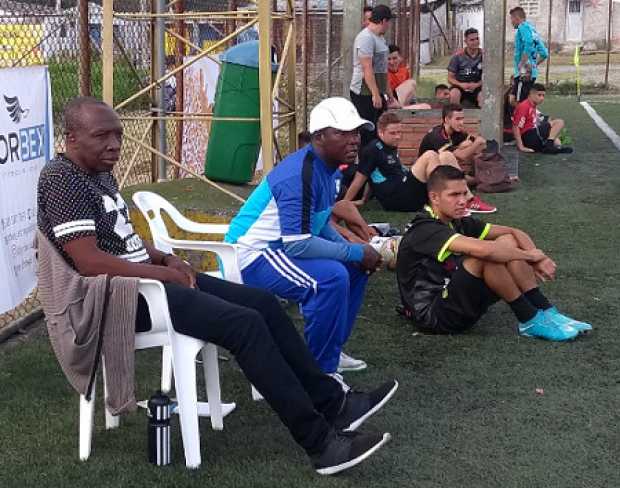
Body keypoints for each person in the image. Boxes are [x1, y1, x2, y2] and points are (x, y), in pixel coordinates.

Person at [38, 96, 398, 475]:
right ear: (72, 138)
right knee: (245, 326)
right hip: (118, 298)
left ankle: (332, 403)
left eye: (118, 135)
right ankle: (322, 444)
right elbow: (88, 261)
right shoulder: (62, 179)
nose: (114, 145)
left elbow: (121, 236)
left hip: (145, 280)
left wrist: (163, 257)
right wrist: (163, 274)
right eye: (102, 136)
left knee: (263, 305)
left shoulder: (99, 172)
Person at [225, 97, 385, 377]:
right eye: (342, 133)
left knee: (355, 270)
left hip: (280, 249)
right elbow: (298, 244)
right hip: (251, 255)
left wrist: (354, 251)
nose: (354, 140)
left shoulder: (328, 168)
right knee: (331, 278)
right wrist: (356, 251)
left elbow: (320, 223)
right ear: (319, 137)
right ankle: (319, 373)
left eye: (356, 132)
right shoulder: (300, 174)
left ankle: (330, 351)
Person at [396, 165, 591, 340]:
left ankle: (546, 311)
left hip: (455, 299)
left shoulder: (457, 221)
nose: (463, 201)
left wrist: (539, 258)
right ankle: (529, 319)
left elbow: (514, 232)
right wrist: (530, 257)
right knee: (486, 256)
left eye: (464, 193)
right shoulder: (424, 228)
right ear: (434, 197)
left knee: (507, 241)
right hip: (434, 316)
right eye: (454, 195)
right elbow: (486, 251)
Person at [342, 112, 462, 212]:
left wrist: (364, 199)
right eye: (393, 133)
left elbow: (372, 175)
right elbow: (360, 178)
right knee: (430, 155)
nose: (398, 136)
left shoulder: (390, 147)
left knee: (447, 156)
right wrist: (344, 204)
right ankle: (442, 204)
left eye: (399, 132)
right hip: (397, 198)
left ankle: (465, 198)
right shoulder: (372, 149)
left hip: (406, 190)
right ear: (380, 132)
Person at [418, 104, 496, 214]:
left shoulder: (456, 132)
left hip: (441, 175)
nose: (461, 123)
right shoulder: (437, 135)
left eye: (462, 119)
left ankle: (481, 179)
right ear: (446, 120)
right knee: (446, 155)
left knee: (472, 174)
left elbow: (482, 144)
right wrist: (473, 144)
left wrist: (465, 145)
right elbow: (463, 155)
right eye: (458, 119)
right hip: (426, 179)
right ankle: (469, 199)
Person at [350, 5, 395, 147]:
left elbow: (382, 69)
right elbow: (366, 68)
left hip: (378, 90)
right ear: (383, 21)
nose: (389, 25)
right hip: (364, 92)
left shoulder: (380, 38)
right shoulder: (365, 38)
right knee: (368, 131)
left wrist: (389, 93)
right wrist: (375, 94)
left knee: (380, 129)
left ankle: (379, 162)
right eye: (389, 21)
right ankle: (366, 164)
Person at [512, 83, 572, 154]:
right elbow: (515, 127)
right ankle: (549, 146)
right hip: (529, 137)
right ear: (531, 94)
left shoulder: (532, 105)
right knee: (559, 122)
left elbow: (540, 119)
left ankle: (551, 148)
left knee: (557, 141)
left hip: (533, 136)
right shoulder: (524, 106)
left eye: (543, 95)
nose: (542, 98)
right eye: (539, 95)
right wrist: (521, 146)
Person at [509, 6, 548, 103]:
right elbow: (544, 53)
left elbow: (528, 42)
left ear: (516, 18)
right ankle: (530, 117)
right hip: (530, 73)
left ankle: (522, 118)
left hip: (524, 74)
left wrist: (522, 65)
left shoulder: (522, 27)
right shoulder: (532, 29)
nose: (511, 22)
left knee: (516, 101)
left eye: (511, 19)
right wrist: (533, 65)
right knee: (524, 100)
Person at [448, 28, 483, 108]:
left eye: (477, 39)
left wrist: (477, 84)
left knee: (483, 96)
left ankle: (481, 119)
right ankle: (455, 116)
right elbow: (450, 78)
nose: (475, 42)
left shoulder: (484, 55)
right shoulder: (457, 56)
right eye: (472, 40)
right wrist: (461, 84)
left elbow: (489, 77)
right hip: (460, 85)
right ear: (466, 41)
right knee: (454, 94)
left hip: (477, 86)